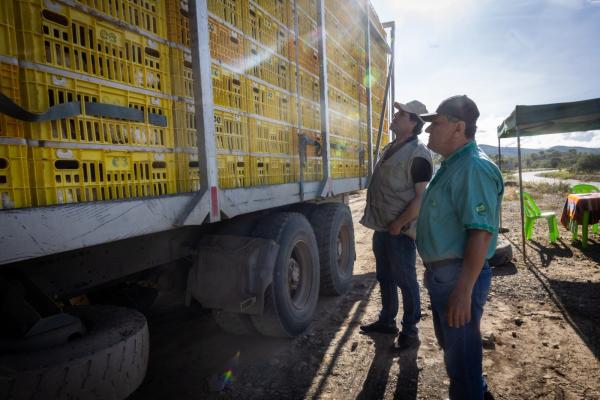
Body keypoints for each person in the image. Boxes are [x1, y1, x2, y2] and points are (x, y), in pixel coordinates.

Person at [417, 95, 504, 399]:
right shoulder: (454, 164)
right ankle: (475, 388)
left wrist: (463, 291)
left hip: (457, 277)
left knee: (461, 359)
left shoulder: (472, 167)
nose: (428, 131)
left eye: (435, 124)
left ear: (459, 128)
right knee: (457, 349)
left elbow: (480, 234)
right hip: (446, 274)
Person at [359, 100, 433, 351]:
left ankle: (410, 331)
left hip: (399, 230)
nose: (395, 116)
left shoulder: (419, 154)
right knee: (385, 276)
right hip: (383, 227)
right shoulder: (391, 147)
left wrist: (399, 223)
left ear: (413, 122)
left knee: (406, 280)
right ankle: (387, 321)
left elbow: (421, 198)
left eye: (401, 114)